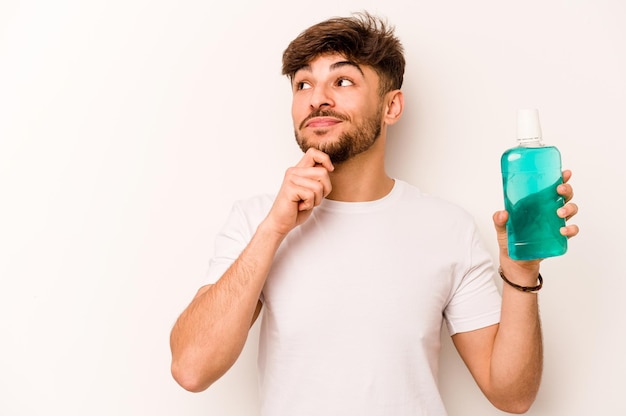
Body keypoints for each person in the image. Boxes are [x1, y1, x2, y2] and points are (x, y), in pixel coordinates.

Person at [169, 12, 579, 415]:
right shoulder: (255, 220)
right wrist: (274, 229)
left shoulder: (448, 228)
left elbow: (512, 395)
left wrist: (522, 277)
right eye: (303, 84)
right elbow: (191, 369)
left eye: (342, 80)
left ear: (392, 107)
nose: (317, 98)